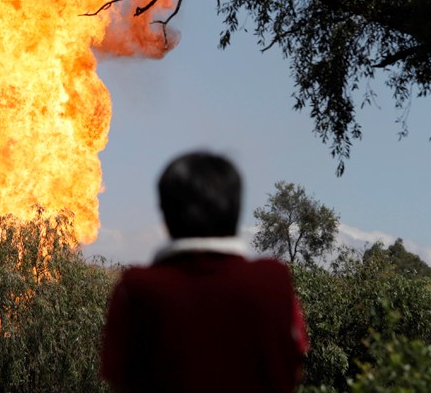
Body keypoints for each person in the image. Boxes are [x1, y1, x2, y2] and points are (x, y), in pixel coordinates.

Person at [100, 152, 309, 393]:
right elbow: (294, 367)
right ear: (236, 208)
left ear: (165, 212)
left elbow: (118, 379)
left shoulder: (135, 289)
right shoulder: (275, 282)